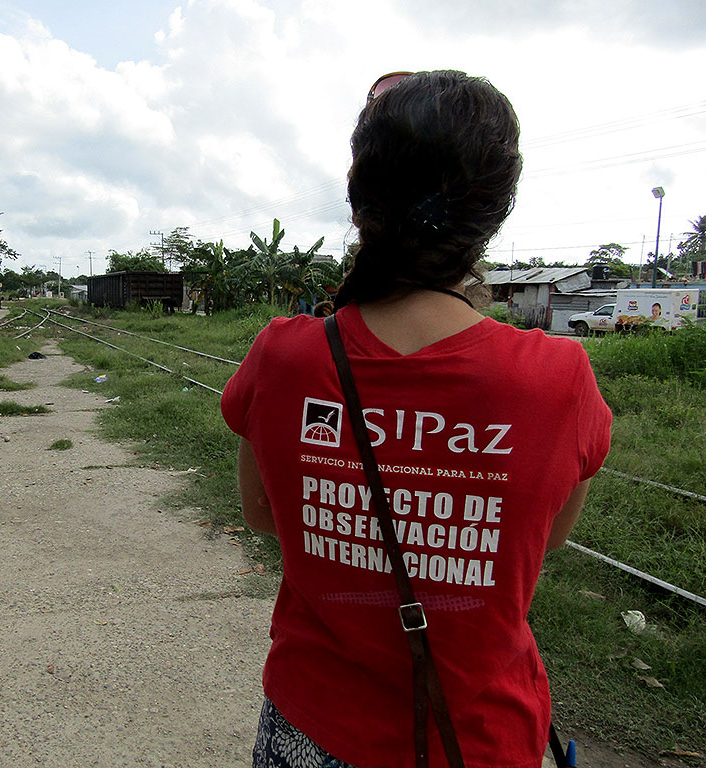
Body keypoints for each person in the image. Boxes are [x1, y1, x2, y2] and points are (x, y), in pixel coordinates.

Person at [220, 70, 612, 768]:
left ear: (360, 199)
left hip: (313, 729)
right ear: (494, 210)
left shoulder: (283, 356)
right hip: (481, 738)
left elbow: (260, 513)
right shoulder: (557, 378)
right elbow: (541, 544)